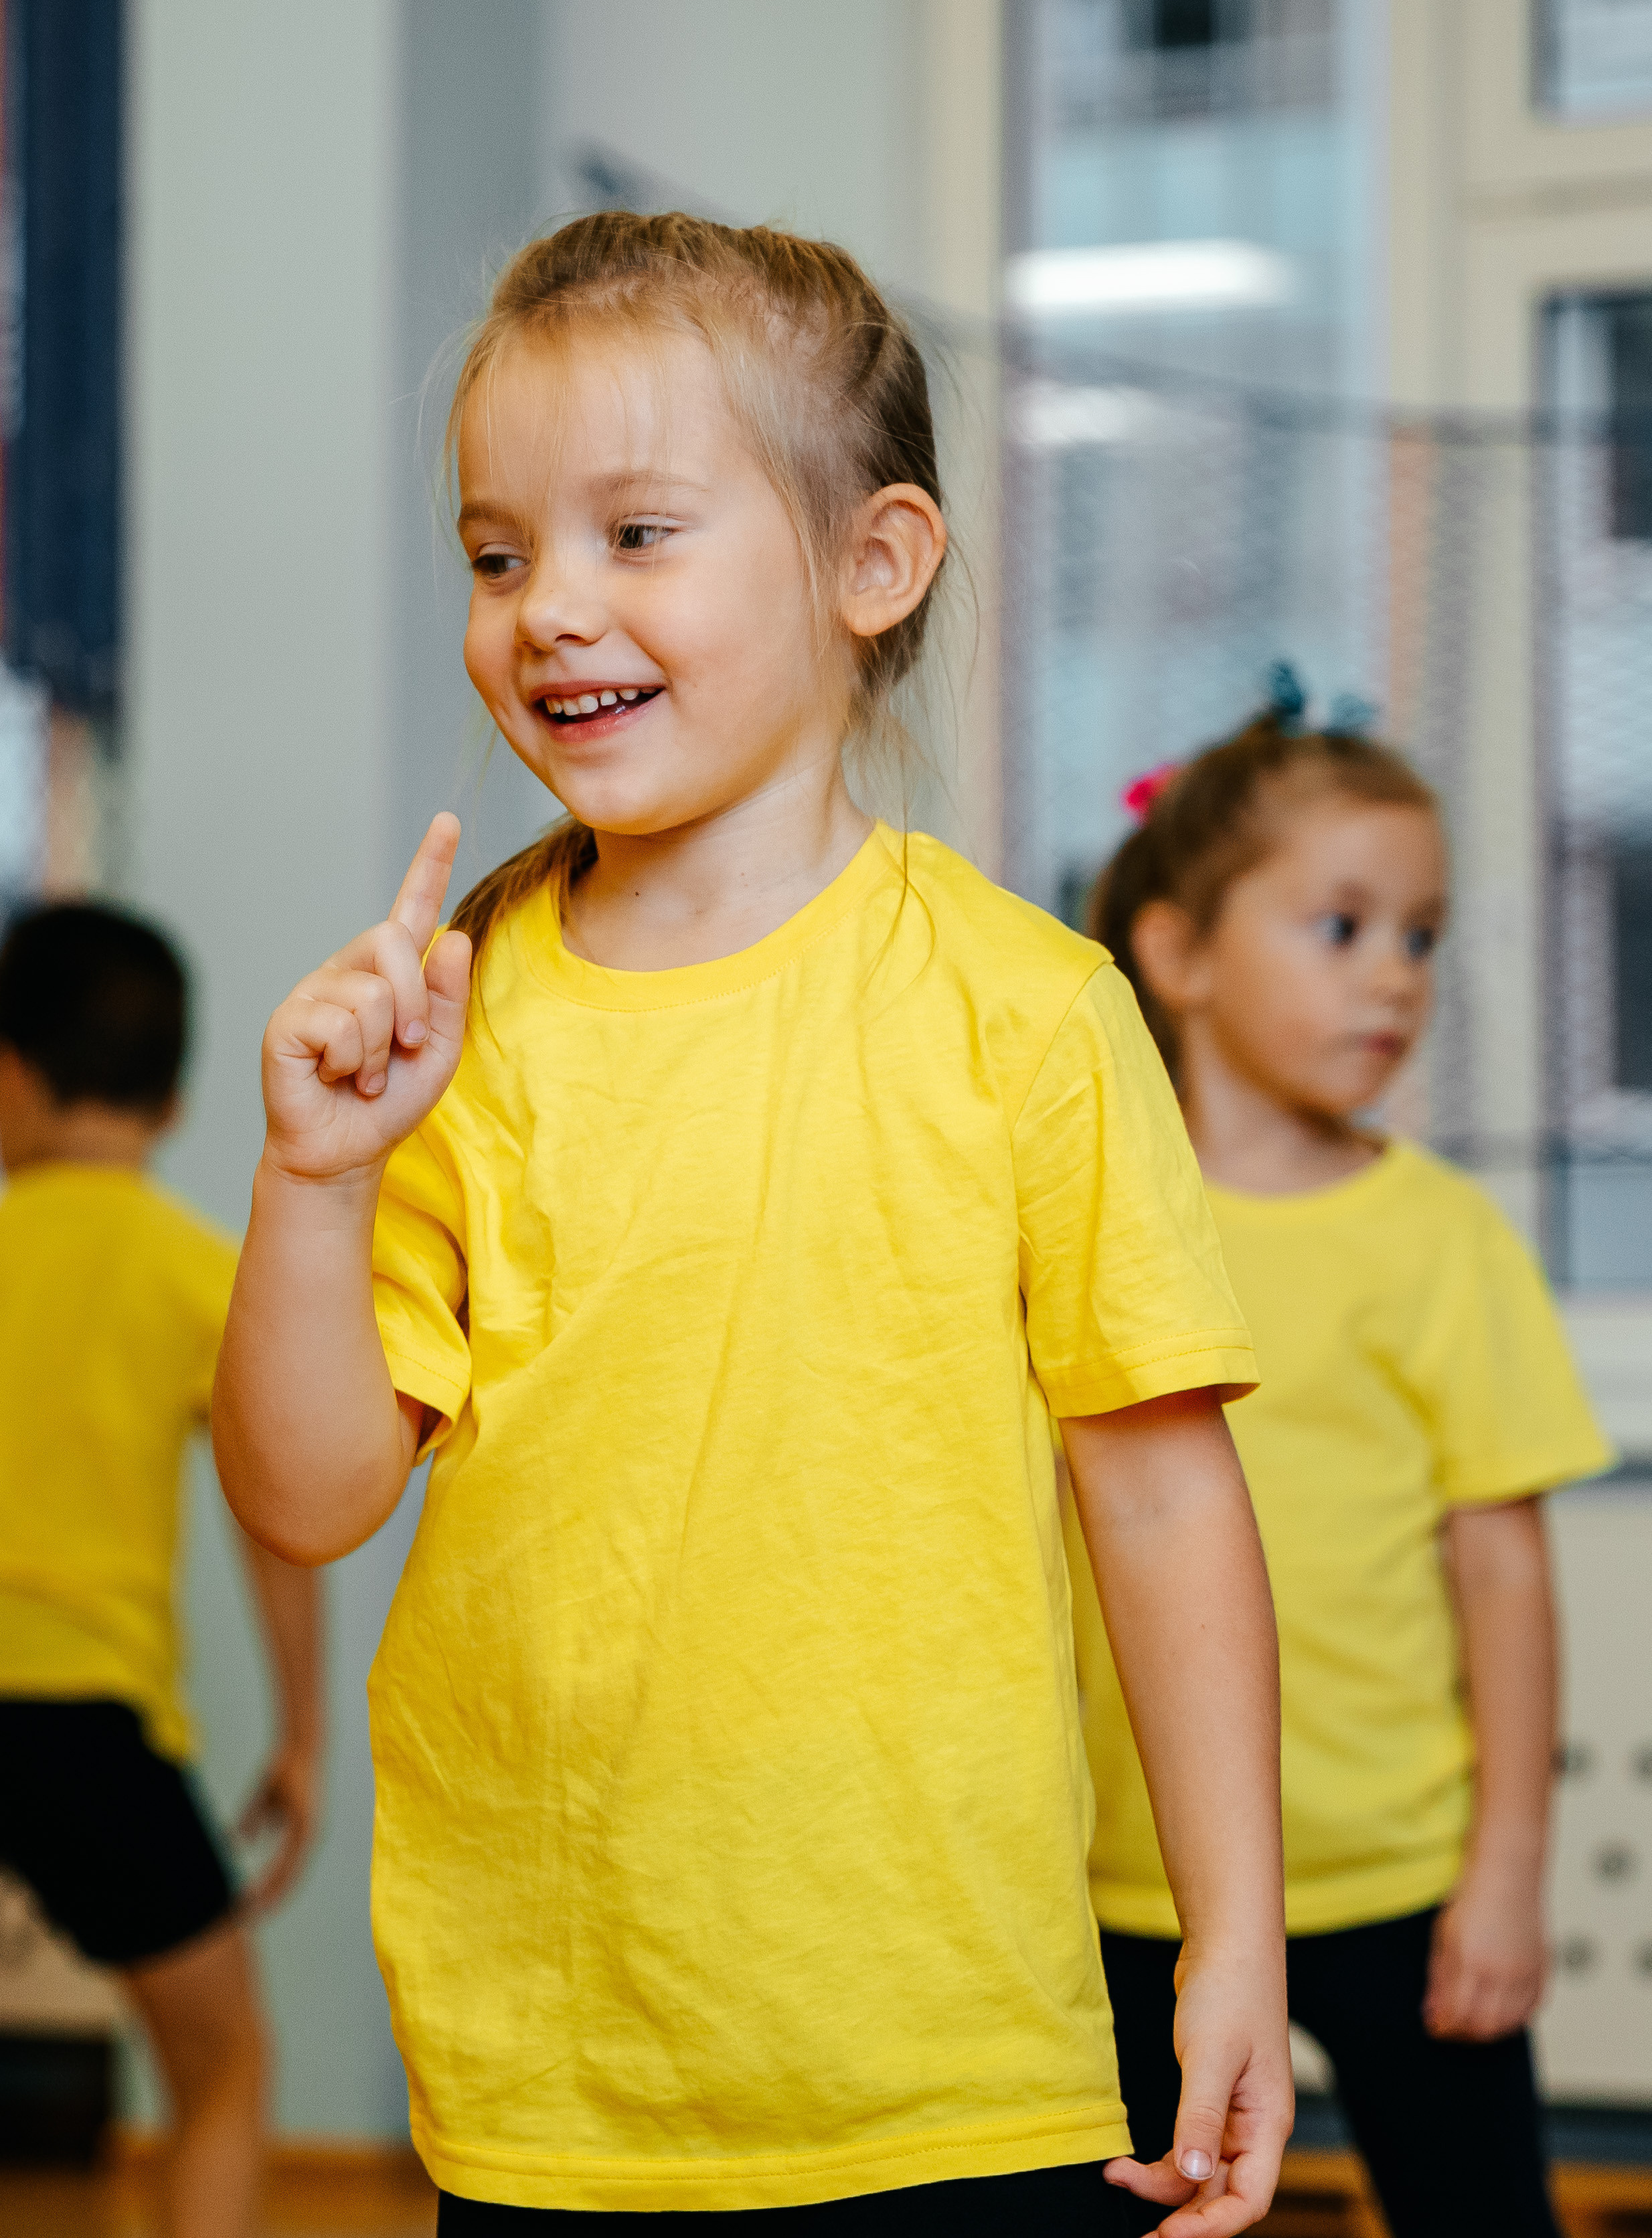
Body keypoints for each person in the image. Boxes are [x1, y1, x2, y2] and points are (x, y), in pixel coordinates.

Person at [212, 214, 1293, 2233]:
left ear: (870, 566)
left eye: (637, 532)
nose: (547, 610)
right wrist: (313, 1175)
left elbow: (1157, 1498)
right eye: (496, 551)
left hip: (950, 2074)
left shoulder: (1029, 1012)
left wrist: (1235, 1926)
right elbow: (302, 1494)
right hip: (551, 2080)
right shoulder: (461, 1016)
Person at [1074, 703, 1613, 2238]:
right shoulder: (1092, 1224)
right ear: (1176, 957)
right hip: (1126, 1888)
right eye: (1342, 925)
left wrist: (1504, 1873)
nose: (1396, 975)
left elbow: (1503, 1575)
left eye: (1422, 937)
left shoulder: (1440, 1238)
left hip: (1399, 1880)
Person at [0, 902, 323, 2238]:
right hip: (90, 1736)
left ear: (10, 1075)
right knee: (225, 2065)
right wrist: (303, 1742)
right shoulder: (204, 1275)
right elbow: (282, 1521)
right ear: (181, 1096)